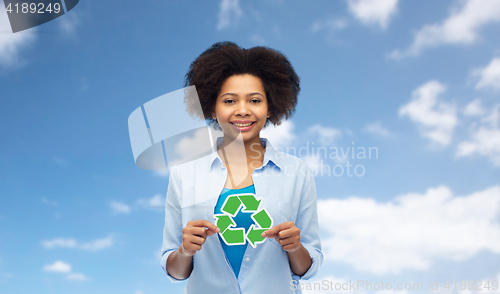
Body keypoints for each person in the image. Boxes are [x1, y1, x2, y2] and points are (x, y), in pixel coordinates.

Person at [160, 41, 323, 294]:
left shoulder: (297, 173)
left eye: (255, 100)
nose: (243, 110)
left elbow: (307, 268)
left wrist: (295, 248)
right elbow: (175, 271)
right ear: (212, 109)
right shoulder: (184, 175)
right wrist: (185, 251)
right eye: (229, 101)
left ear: (270, 108)